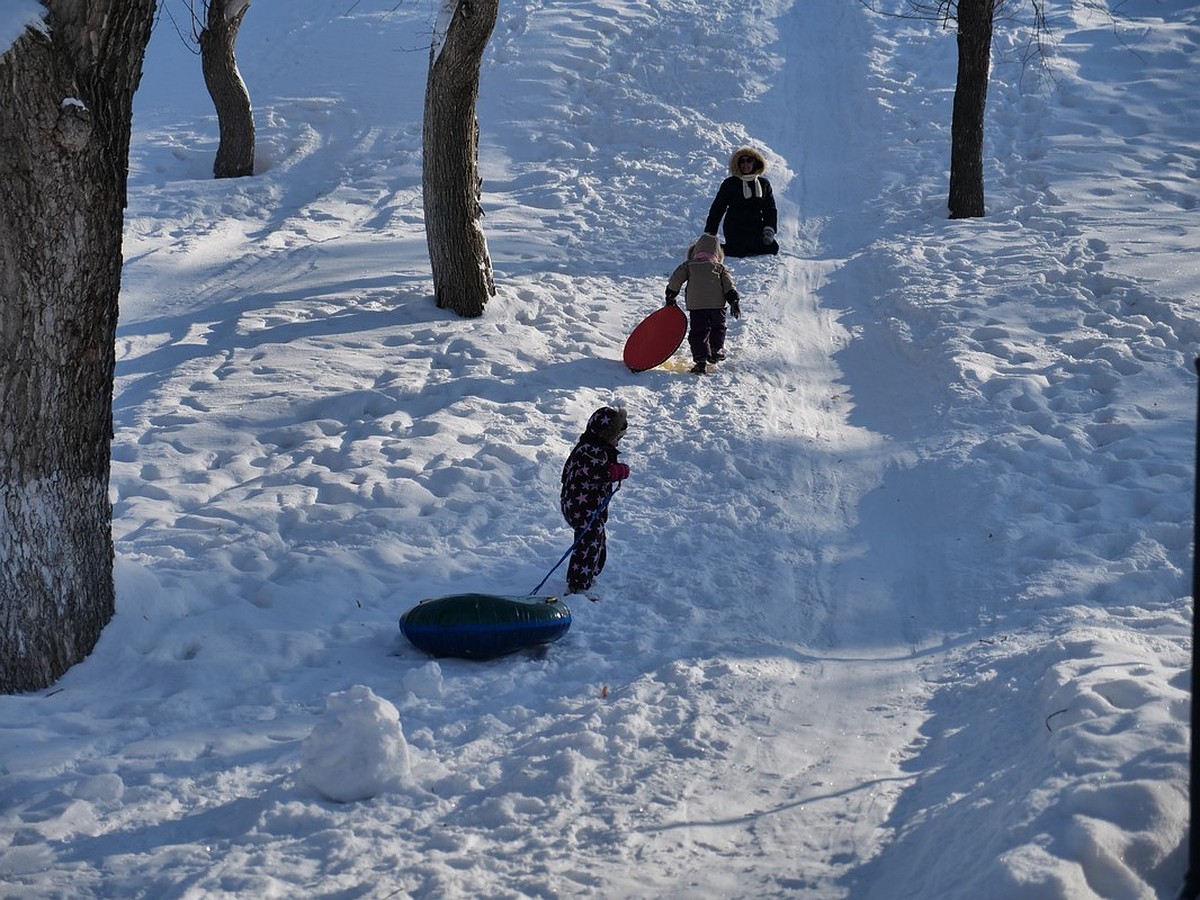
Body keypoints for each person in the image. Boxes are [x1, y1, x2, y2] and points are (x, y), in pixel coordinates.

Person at [560, 406, 630, 595]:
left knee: (596, 538)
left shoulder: (594, 448)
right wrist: (618, 471)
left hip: (588, 505)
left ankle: (589, 574)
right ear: (605, 436)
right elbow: (598, 473)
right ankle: (577, 586)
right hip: (579, 505)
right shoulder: (589, 451)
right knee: (588, 540)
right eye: (617, 438)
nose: (617, 444)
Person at [665, 234, 741, 374]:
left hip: (697, 306)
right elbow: (729, 285)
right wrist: (733, 300)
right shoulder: (720, 268)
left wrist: (671, 294)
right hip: (717, 306)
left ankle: (700, 361)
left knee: (699, 332)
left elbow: (676, 279)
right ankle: (715, 349)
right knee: (718, 327)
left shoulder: (689, 265)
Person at [703, 146, 779, 257]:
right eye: (742, 161)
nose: (745, 164)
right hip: (735, 227)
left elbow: (770, 209)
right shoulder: (730, 183)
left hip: (756, 227)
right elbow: (718, 208)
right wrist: (710, 232)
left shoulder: (763, 184)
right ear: (738, 164)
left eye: (749, 161)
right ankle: (712, 248)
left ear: (755, 163)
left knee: (772, 248)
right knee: (739, 251)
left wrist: (769, 230)